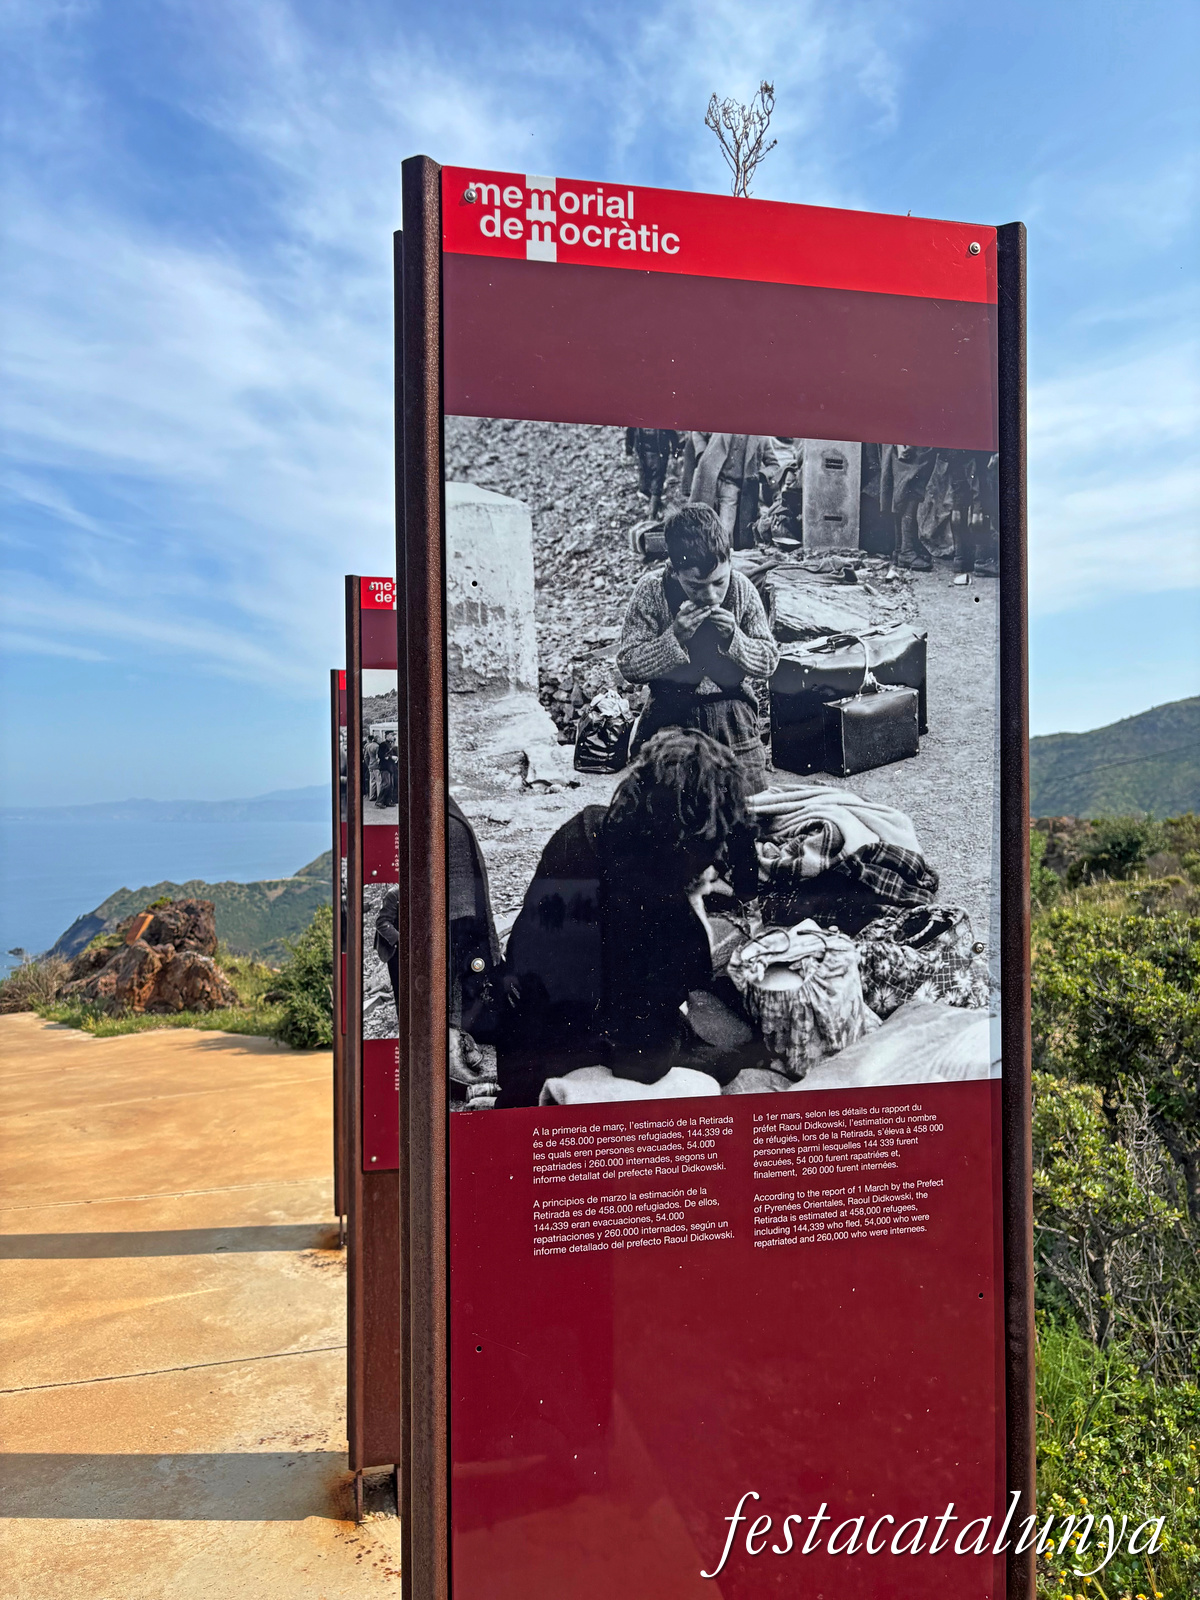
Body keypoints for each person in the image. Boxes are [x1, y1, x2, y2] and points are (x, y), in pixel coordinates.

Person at [496, 729, 762, 1107]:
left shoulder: (581, 830)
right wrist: (693, 906)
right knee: (734, 1054)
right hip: (578, 1060)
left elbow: (527, 951)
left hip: (525, 1044)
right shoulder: (670, 913)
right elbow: (643, 1061)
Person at [617, 504, 779, 795]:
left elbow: (768, 661)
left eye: (719, 582)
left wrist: (734, 639)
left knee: (749, 809)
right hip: (669, 717)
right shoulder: (652, 590)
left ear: (729, 560)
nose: (710, 596)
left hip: (733, 718)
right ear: (675, 570)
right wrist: (674, 638)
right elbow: (628, 665)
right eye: (695, 586)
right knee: (664, 810)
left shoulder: (742, 589)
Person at [686, 433, 785, 549]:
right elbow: (697, 431)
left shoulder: (762, 437)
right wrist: (702, 453)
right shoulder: (722, 420)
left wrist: (760, 475)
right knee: (697, 523)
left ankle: (723, 559)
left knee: (725, 531)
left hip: (732, 488)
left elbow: (774, 466)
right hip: (709, 481)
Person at [624, 428, 679, 520]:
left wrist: (675, 454)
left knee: (657, 484)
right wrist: (628, 451)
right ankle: (656, 503)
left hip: (659, 454)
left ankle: (652, 515)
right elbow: (630, 431)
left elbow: (672, 434)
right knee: (643, 487)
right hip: (643, 454)